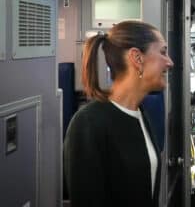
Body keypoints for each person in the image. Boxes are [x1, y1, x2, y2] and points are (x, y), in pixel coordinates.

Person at [63, 21, 174, 207]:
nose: (170, 62)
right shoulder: (89, 123)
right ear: (137, 58)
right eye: (162, 52)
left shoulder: (140, 113)